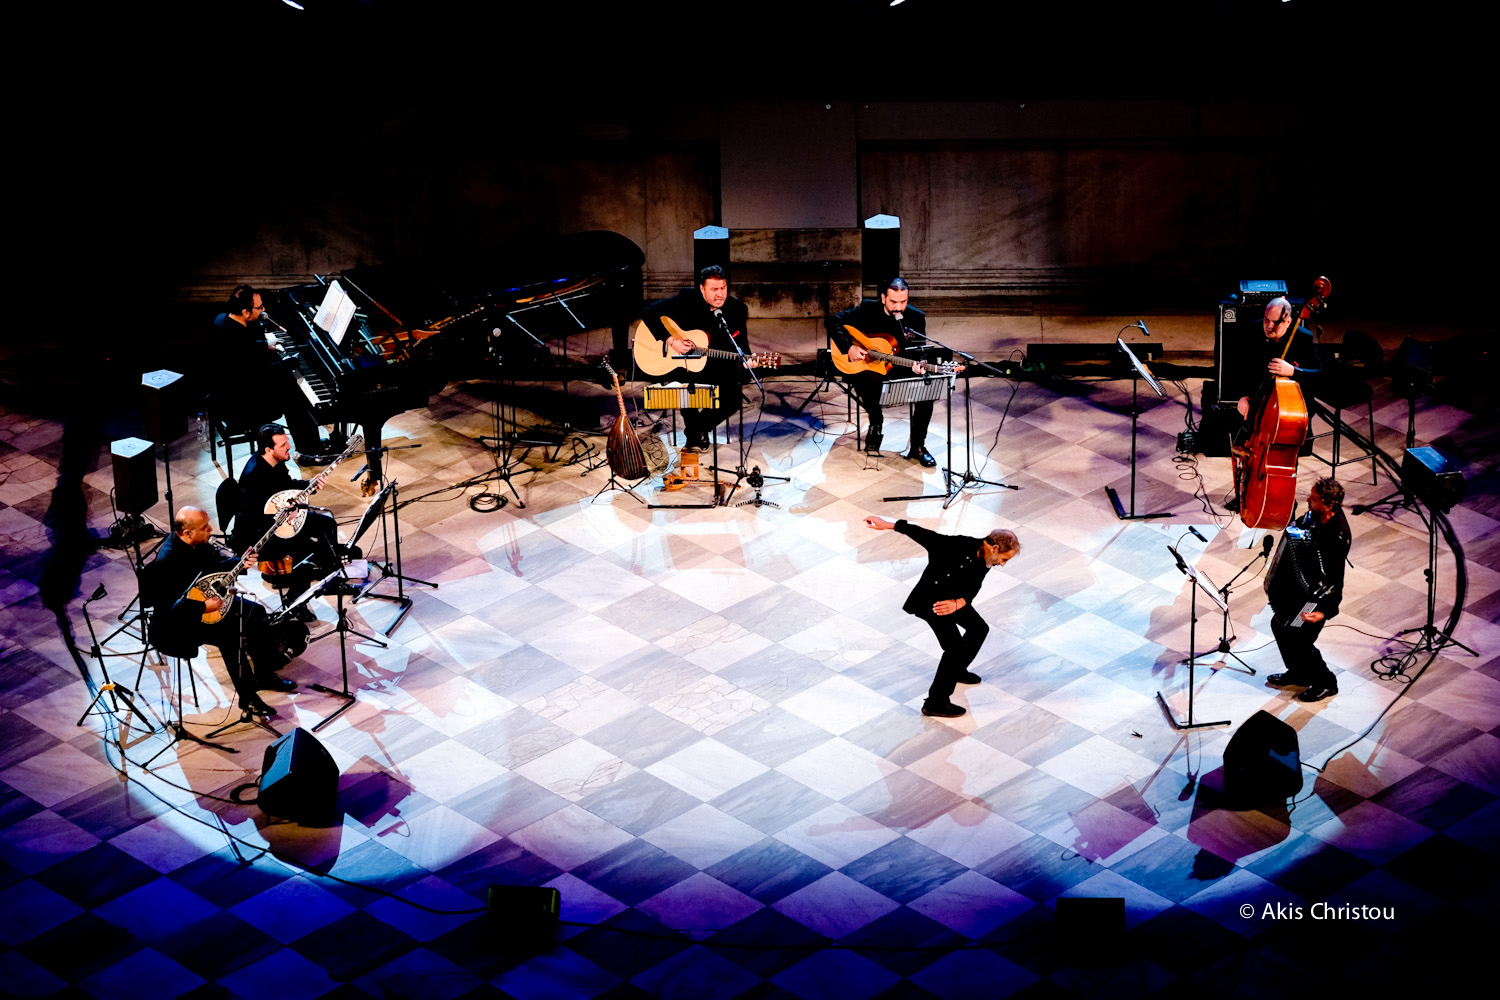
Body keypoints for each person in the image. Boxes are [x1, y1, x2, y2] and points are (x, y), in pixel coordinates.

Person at [139, 506, 293, 717]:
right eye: (205, 527)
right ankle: (248, 698)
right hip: (179, 622)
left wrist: (240, 563)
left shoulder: (198, 543)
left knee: (256, 612)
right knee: (230, 636)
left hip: (206, 601)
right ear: (188, 533)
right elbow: (168, 607)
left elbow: (216, 566)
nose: (211, 529)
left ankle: (263, 675)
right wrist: (204, 607)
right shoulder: (167, 562)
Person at [864, 515, 1020, 718]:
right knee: (955, 648)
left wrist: (960, 602)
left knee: (979, 629)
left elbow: (974, 585)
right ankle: (935, 703)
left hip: (954, 600)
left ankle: (957, 670)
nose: (1003, 564)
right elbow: (922, 534)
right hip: (931, 602)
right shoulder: (954, 545)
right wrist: (889, 525)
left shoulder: (988, 559)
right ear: (995, 548)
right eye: (1005, 559)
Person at [827, 277, 954, 467]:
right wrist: (849, 347)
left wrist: (920, 363)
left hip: (900, 365)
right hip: (868, 366)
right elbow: (833, 321)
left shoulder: (916, 317)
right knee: (869, 378)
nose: (898, 307)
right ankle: (876, 420)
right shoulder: (868, 309)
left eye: (903, 302)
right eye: (894, 302)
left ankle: (918, 446)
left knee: (927, 390)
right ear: (883, 298)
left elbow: (919, 350)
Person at [639, 265, 759, 450]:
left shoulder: (737, 309)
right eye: (714, 289)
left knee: (732, 400)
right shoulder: (687, 298)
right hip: (684, 363)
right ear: (702, 288)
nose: (720, 294)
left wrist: (748, 360)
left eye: (723, 288)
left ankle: (697, 430)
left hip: (718, 363)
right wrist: (672, 341)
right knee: (687, 387)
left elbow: (741, 344)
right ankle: (696, 434)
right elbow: (648, 312)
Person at [213, 285, 331, 459]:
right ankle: (310, 452)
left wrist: (264, 346)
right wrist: (291, 362)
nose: (263, 309)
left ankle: (310, 443)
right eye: (259, 307)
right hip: (242, 402)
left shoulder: (223, 319)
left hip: (233, 386)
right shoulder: (238, 340)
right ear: (245, 312)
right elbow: (260, 373)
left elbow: (246, 353)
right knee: (296, 395)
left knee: (291, 387)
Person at [233, 423, 342, 603]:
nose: (289, 446)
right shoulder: (253, 477)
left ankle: (330, 572)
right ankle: (300, 595)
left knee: (327, 524)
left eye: (287, 442)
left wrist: (310, 484)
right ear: (268, 450)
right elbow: (251, 519)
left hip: (283, 518)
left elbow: (287, 487)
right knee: (308, 546)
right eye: (283, 445)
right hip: (265, 532)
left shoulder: (276, 461)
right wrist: (282, 516)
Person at [1265, 477, 1349, 703]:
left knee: (1299, 639)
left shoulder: (1336, 536)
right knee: (1279, 625)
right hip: (1299, 591)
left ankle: (1327, 682)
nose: (1308, 501)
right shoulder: (1313, 517)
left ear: (1328, 505)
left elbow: (1335, 580)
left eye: (1313, 499)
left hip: (1316, 600)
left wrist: (1325, 612)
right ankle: (1299, 673)